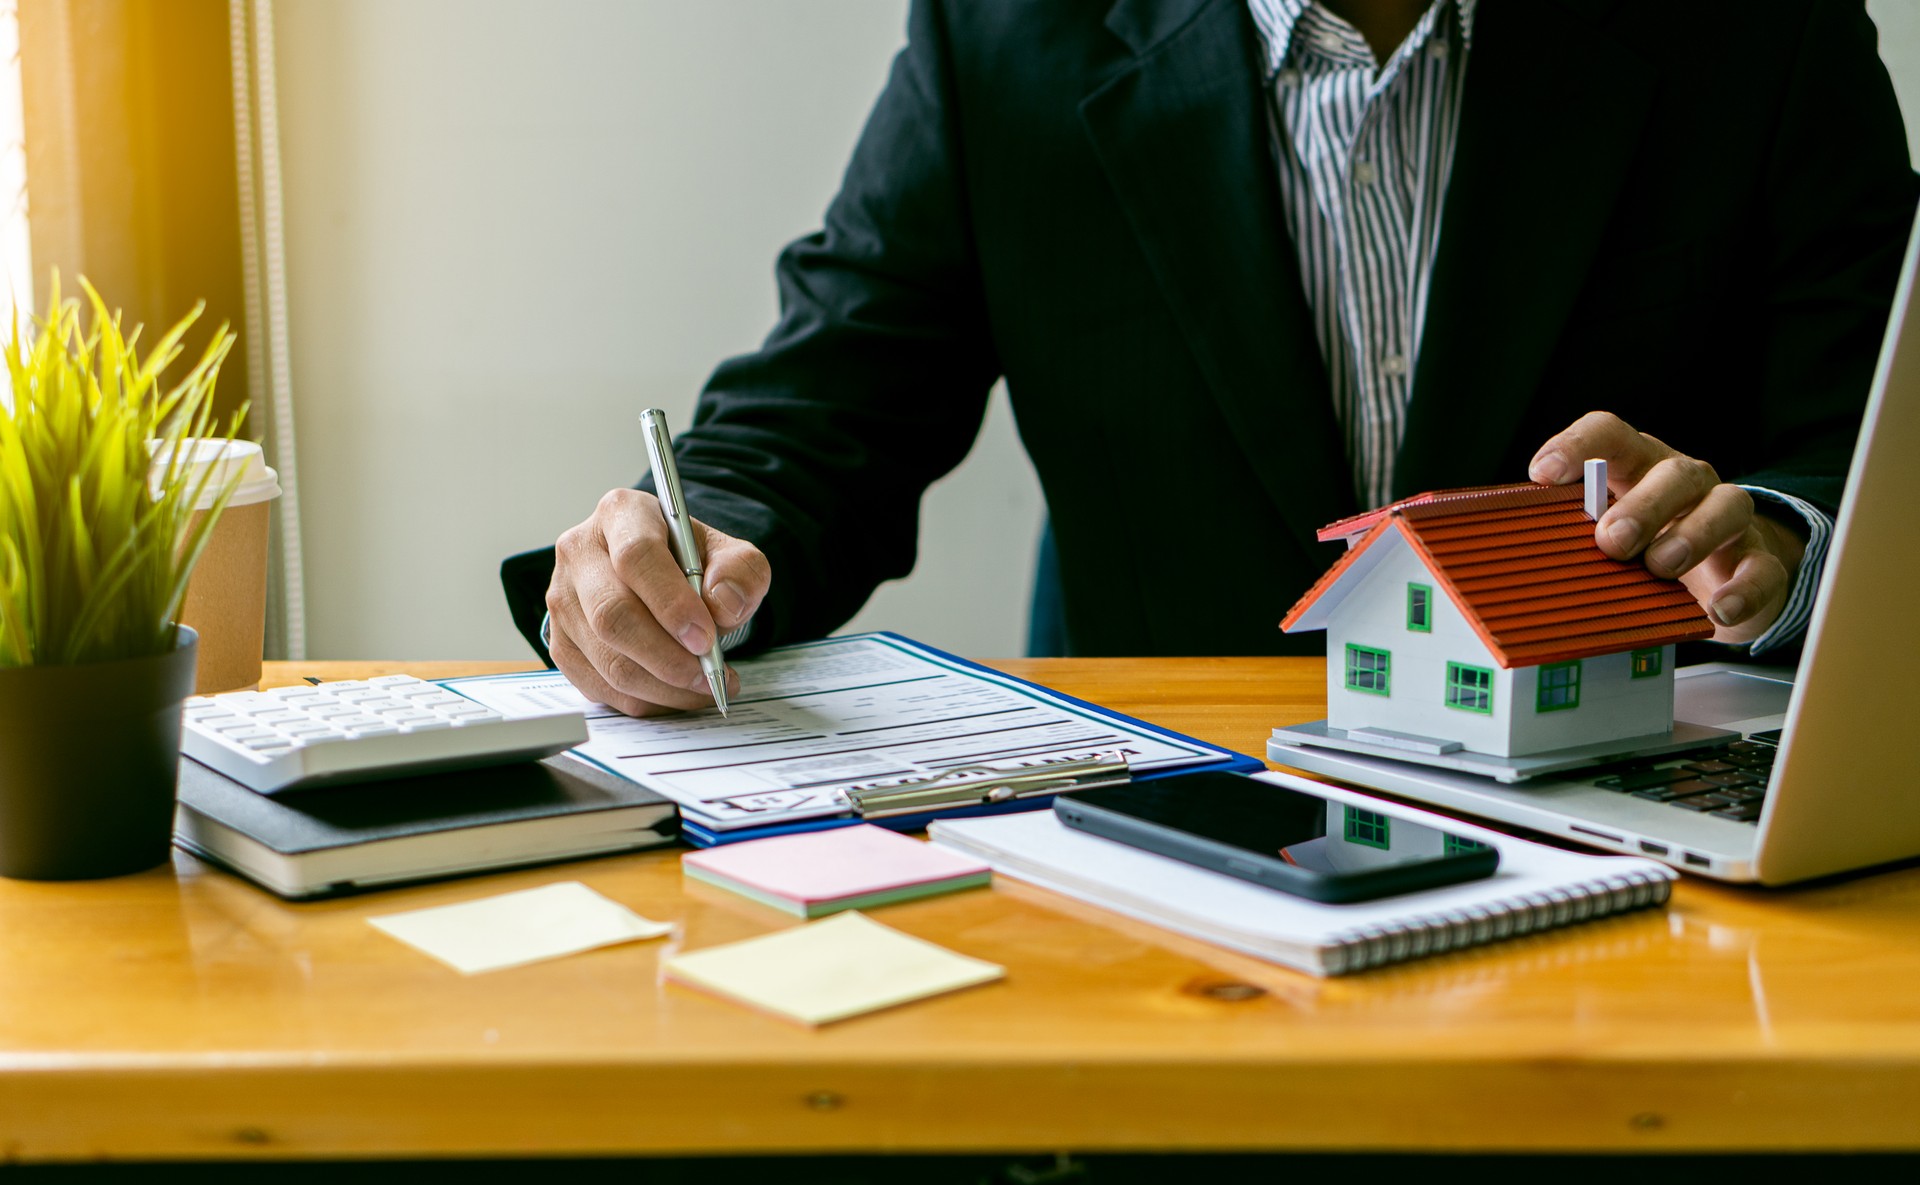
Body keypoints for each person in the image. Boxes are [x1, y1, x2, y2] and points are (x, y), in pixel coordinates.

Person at [505, 0, 1917, 716]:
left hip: (1635, 819)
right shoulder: (1010, 30)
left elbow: (1867, 436)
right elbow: (829, 407)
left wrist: (1783, 551)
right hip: (1155, 827)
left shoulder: (1760, 27)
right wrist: (690, 554)